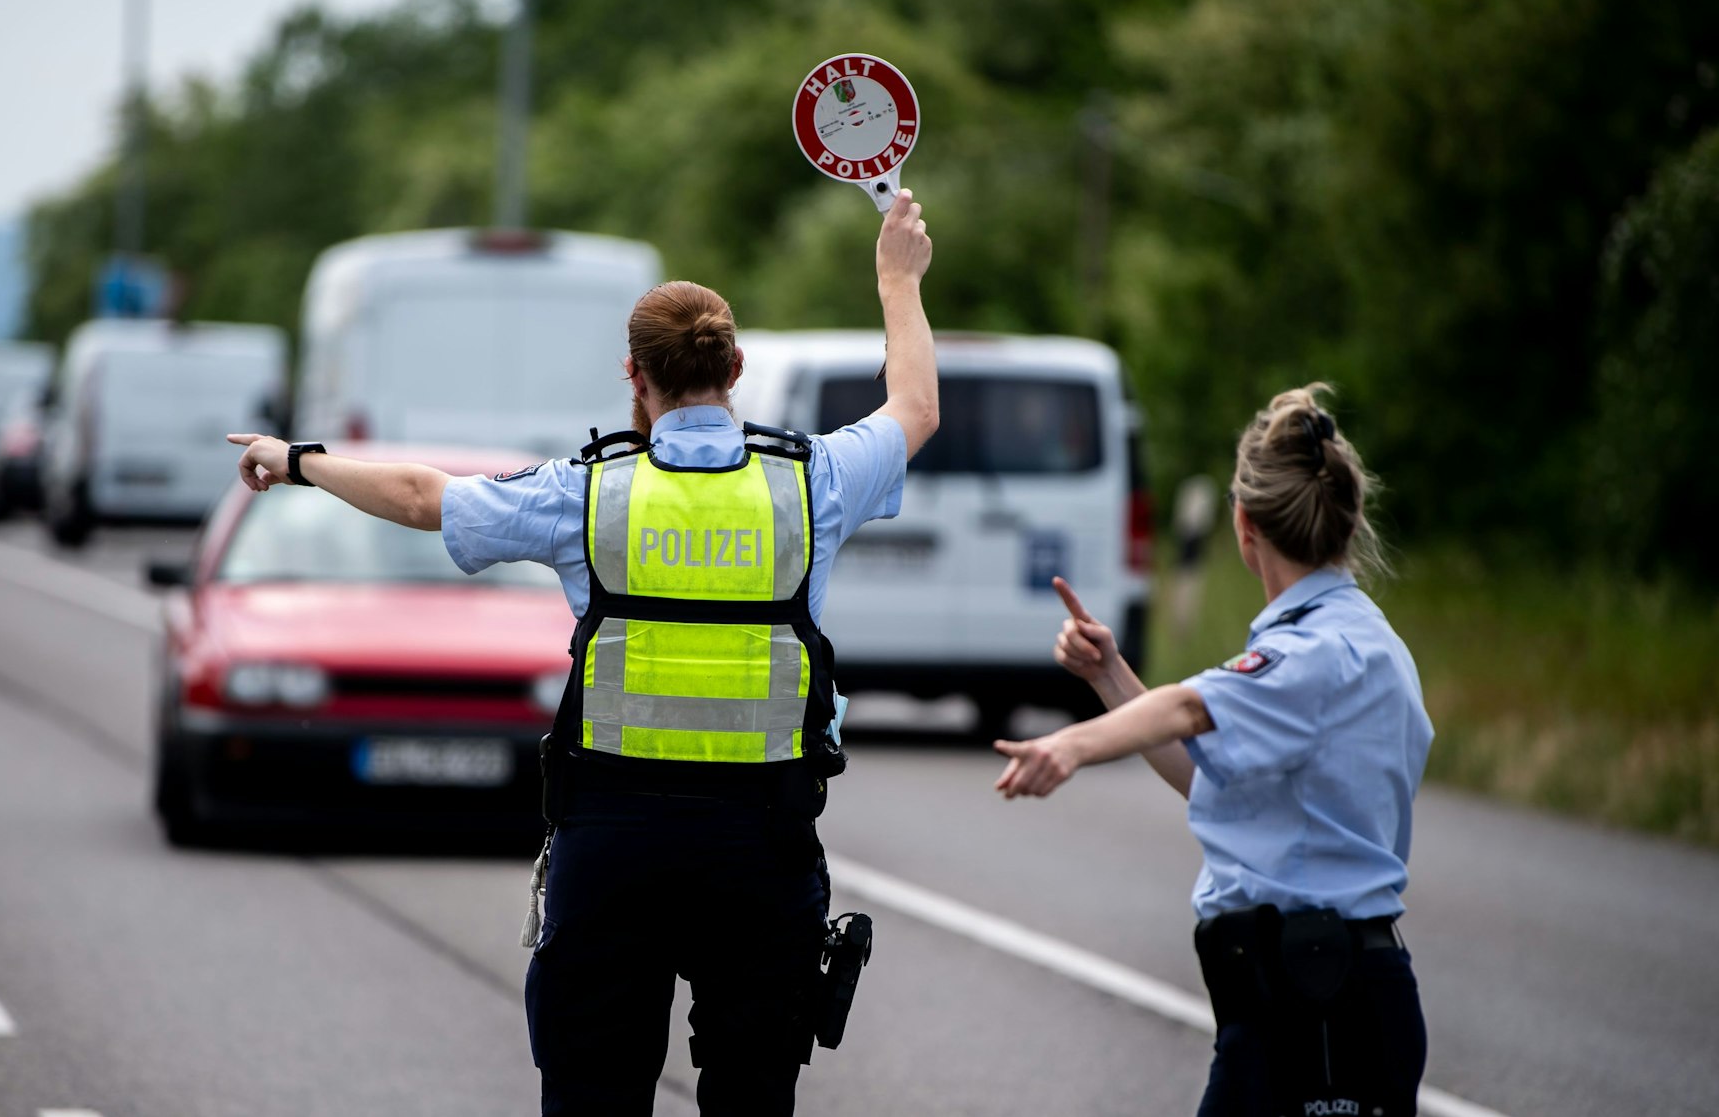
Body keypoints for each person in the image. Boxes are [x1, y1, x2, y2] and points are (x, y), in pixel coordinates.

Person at [226, 190, 937, 1116]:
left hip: (613, 849)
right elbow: (915, 407)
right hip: (761, 848)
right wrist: (896, 276)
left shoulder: (588, 492)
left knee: (593, 1097)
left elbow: (417, 493)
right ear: (738, 368)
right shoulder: (813, 484)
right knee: (753, 1096)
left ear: (633, 375)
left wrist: (296, 459)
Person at [990, 384, 1431, 1116]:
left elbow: (1191, 707)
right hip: (1324, 994)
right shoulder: (1361, 641)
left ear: (1244, 523)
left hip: (1314, 1007)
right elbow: (1206, 776)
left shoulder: (1311, 655)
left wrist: (1071, 744)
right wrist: (1108, 674)